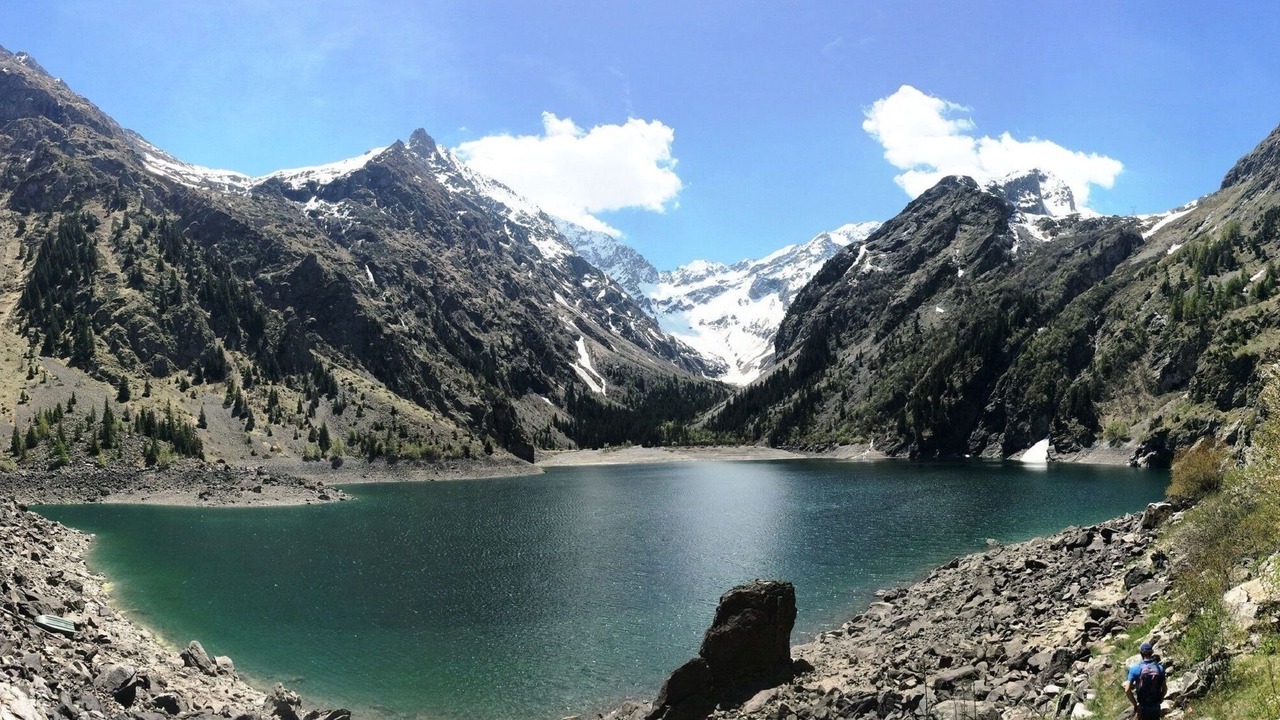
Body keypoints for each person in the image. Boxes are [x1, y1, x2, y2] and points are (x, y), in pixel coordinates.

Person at [1125, 641, 1167, 719]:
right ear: (1152, 653)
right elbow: (1164, 688)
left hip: (1142, 707)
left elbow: (1127, 690)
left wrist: (1135, 704)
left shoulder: (1134, 669)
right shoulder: (1160, 668)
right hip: (1155, 706)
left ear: (1141, 653)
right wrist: (1161, 699)